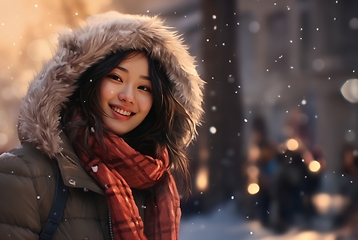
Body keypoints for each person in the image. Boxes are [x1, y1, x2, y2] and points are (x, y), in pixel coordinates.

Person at [0, 11, 204, 240]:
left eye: (144, 88)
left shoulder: (153, 184)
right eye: (116, 78)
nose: (128, 96)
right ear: (88, 80)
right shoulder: (23, 173)